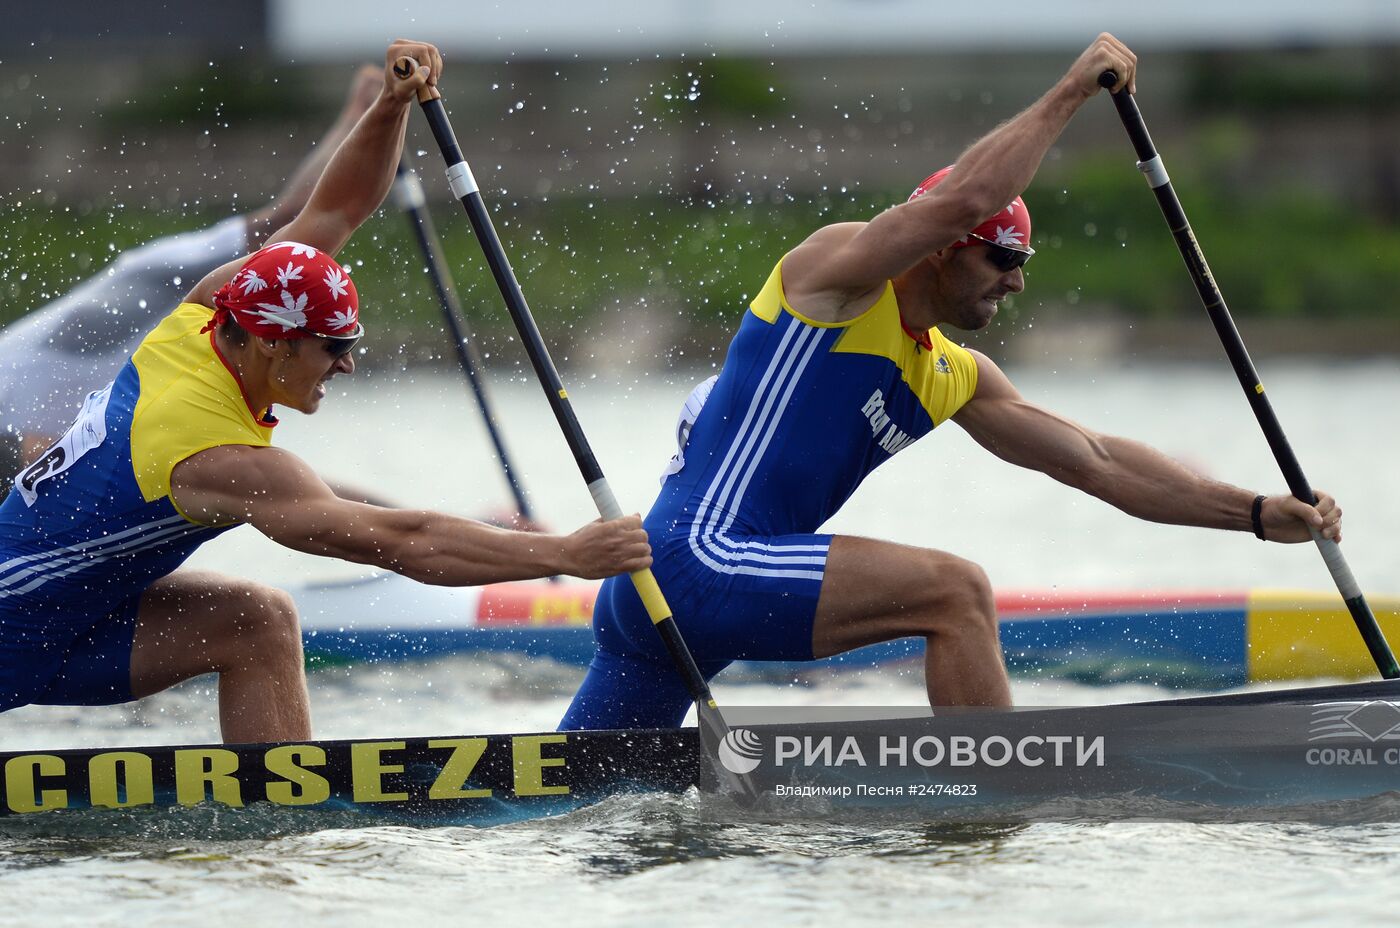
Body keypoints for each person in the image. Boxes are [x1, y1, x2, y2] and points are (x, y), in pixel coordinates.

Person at [559, 33, 1343, 731]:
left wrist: (1251, 511)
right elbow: (966, 198)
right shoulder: (836, 283)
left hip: (651, 599)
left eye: (1024, 264)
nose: (1016, 284)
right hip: (702, 561)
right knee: (957, 593)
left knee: (558, 793)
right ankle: (999, 802)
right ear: (943, 246)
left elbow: (1097, 461)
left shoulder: (953, 375)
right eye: (1003, 259)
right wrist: (1072, 91)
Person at [0, 39, 652, 743]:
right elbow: (405, 542)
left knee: (259, 620)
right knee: (259, 615)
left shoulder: (208, 310)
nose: (345, 366)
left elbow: (332, 215)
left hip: (76, 616)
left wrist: (390, 105)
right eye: (334, 349)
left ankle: (281, 824)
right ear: (277, 343)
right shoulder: (221, 458)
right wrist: (566, 557)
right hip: (16, 636)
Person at [0, 64, 384, 480]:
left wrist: (380, 112)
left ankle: (359, 108)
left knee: (284, 232)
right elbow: (264, 488)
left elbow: (312, 222)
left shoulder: (35, 413)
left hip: (137, 292)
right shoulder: (42, 430)